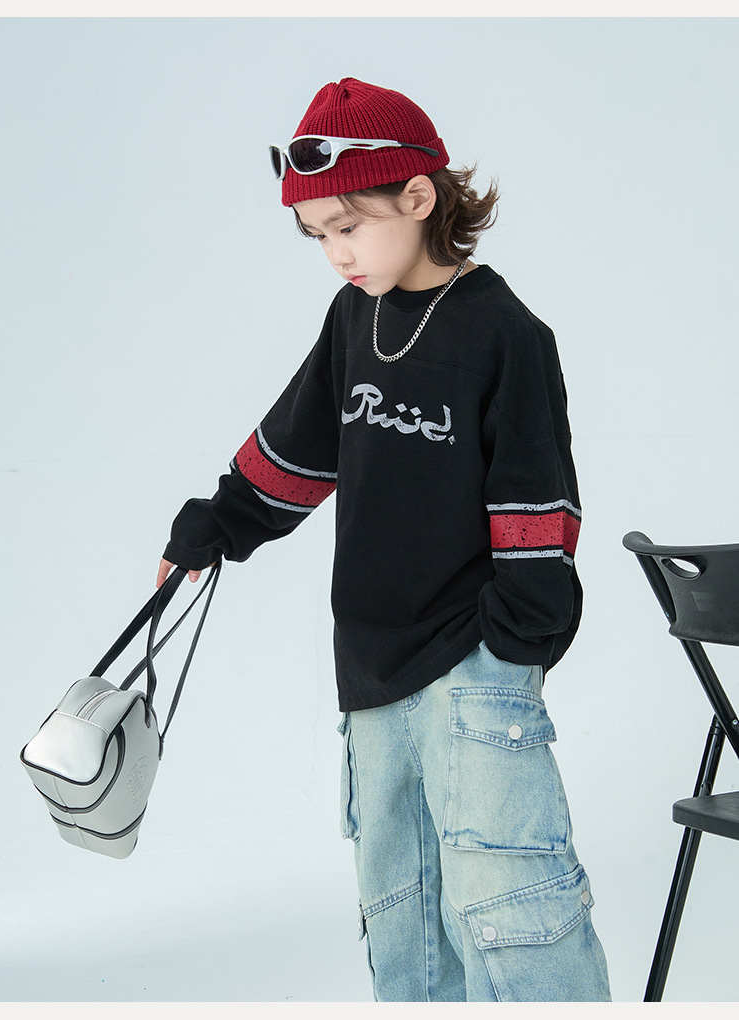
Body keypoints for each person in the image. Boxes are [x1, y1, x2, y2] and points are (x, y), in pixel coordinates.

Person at [156, 77, 611, 1002]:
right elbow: (297, 447)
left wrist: (514, 641)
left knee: (511, 905)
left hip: (474, 665)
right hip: (369, 671)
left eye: (347, 226)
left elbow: (538, 503)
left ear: (418, 197)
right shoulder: (354, 318)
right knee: (405, 919)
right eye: (316, 234)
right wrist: (216, 525)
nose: (335, 253)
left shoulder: (506, 333)